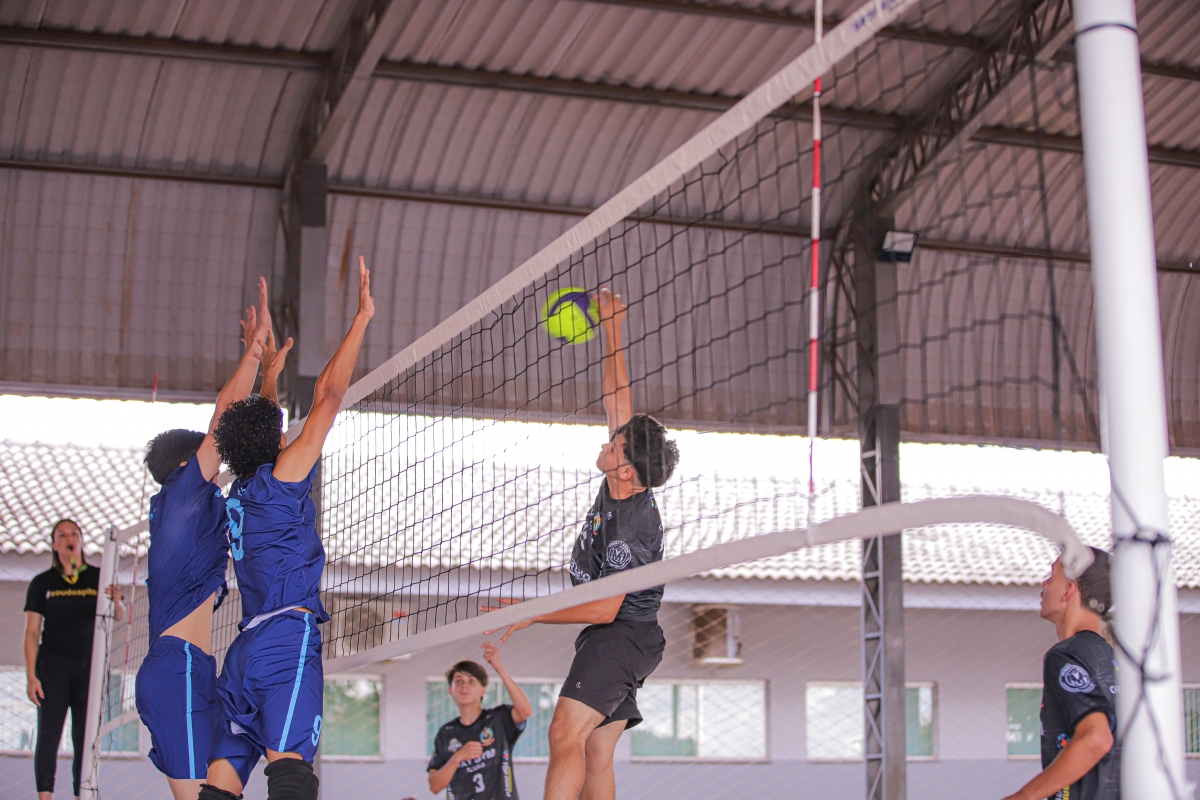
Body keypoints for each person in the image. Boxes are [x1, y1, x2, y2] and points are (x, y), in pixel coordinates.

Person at [482, 288, 679, 800]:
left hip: (622, 635)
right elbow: (618, 400)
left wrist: (532, 612)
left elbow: (604, 608)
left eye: (615, 446)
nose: (606, 443)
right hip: (625, 639)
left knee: (564, 732)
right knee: (594, 749)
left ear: (628, 469)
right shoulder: (621, 479)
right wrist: (612, 327)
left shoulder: (632, 527)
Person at [200, 256, 374, 800]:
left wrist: (270, 375)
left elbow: (262, 430)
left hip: (245, 650)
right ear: (275, 440)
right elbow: (329, 397)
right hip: (283, 642)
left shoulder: (240, 491)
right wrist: (362, 318)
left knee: (221, 784)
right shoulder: (282, 480)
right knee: (292, 775)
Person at [136, 279, 289, 800]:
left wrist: (269, 377)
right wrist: (253, 350)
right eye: (207, 453)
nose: (218, 459)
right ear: (185, 466)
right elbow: (224, 417)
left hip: (193, 667)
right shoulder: (181, 498)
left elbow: (259, 446)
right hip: (175, 668)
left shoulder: (195, 516)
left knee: (224, 787)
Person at [1001, 547, 1119, 800]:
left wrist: (1023, 797)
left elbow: (1096, 738)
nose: (1044, 584)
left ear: (1068, 590)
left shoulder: (1065, 655)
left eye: (1052, 576)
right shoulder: (1113, 659)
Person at [23, 519, 124, 800]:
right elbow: (31, 633)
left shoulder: (99, 577)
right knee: (48, 736)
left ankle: (82, 795)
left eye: (74, 534)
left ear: (81, 540)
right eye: (62, 535)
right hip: (52, 669)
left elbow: (119, 616)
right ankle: (45, 796)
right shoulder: (42, 582)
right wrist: (31, 676)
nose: (69, 539)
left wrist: (117, 601)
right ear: (54, 544)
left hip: (88, 671)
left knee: (84, 738)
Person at [427, 643, 533, 799]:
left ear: (483, 690)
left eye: (471, 681)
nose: (465, 686)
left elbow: (525, 711)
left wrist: (499, 668)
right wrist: (457, 757)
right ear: (451, 691)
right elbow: (434, 786)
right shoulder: (446, 732)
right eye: (459, 681)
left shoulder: (498, 718)